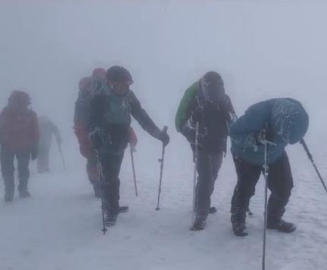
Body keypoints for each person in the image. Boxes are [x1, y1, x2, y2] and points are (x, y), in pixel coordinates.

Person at [89, 65, 170, 226]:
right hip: (105, 139)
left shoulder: (129, 97)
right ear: (111, 84)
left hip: (120, 138)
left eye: (127, 85)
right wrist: (96, 134)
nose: (124, 88)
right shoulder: (100, 98)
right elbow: (93, 121)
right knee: (110, 175)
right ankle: (111, 209)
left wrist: (158, 134)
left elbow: (141, 116)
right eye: (120, 85)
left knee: (113, 174)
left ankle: (112, 204)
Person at [229, 98, 309, 236]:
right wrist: (256, 138)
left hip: (274, 154)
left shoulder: (295, 117)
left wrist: (296, 135)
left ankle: (273, 219)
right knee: (246, 187)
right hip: (247, 154)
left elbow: (291, 132)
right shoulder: (257, 114)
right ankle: (238, 219)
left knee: (284, 186)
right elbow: (234, 133)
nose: (285, 138)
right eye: (284, 135)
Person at [176, 71, 236, 231]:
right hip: (201, 145)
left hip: (218, 145)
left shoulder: (225, 100)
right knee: (205, 178)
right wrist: (193, 120)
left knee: (212, 177)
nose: (216, 92)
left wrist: (228, 115)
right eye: (213, 88)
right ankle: (201, 214)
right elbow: (184, 127)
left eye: (218, 87)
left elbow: (234, 123)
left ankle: (201, 203)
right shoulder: (196, 101)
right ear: (205, 87)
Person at [0, 90, 39, 202]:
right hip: (15, 146)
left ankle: (15, 191)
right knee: (17, 169)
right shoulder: (26, 114)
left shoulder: (10, 112)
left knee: (14, 169)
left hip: (15, 146)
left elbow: (35, 133)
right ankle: (14, 191)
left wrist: (35, 146)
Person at [74, 76, 102, 197]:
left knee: (92, 159)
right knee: (96, 159)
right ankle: (99, 183)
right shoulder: (85, 100)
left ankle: (97, 183)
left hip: (87, 132)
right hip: (97, 131)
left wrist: (81, 135)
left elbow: (78, 120)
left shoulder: (81, 101)